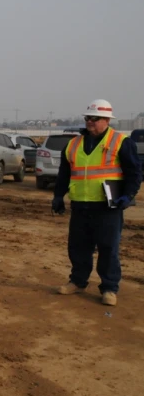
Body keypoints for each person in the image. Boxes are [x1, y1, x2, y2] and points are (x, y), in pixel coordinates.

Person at [52, 100, 141, 306]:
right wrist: (58, 196)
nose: (90, 122)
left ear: (107, 120)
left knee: (108, 248)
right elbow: (64, 174)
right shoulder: (73, 144)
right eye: (88, 118)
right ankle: (78, 281)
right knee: (78, 247)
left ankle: (109, 288)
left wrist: (127, 196)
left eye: (95, 118)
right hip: (80, 205)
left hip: (107, 207)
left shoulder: (121, 142)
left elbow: (134, 173)